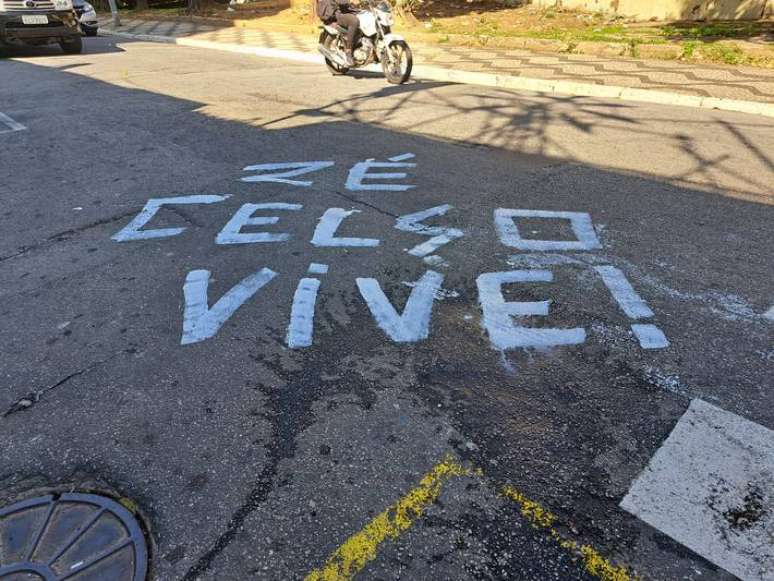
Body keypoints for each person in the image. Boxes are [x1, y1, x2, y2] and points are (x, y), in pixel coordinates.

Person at [317, 0, 359, 67]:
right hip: (335, 14)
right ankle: (348, 51)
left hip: (344, 10)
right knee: (354, 21)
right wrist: (350, 1)